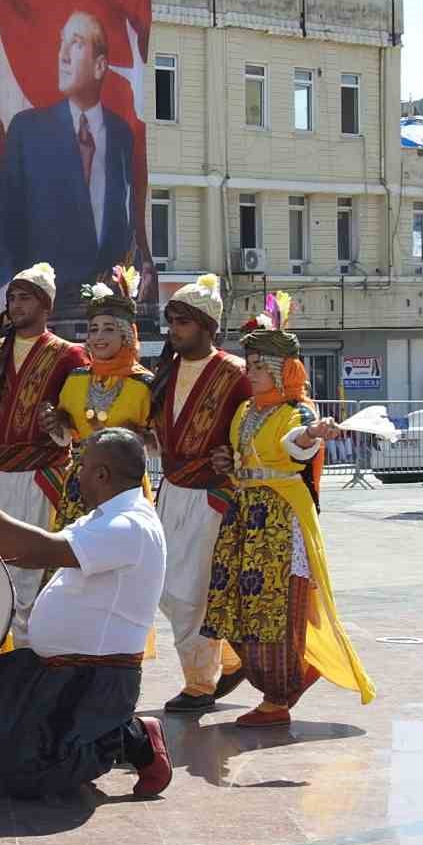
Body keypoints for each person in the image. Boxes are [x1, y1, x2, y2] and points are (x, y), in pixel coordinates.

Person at [0, 429, 172, 798]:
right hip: (61, 669)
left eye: (82, 466)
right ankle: (105, 735)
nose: (76, 473)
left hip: (98, 677)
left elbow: (45, 548)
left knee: (35, 776)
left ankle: (130, 737)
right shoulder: (101, 519)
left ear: (102, 475)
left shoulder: (130, 524)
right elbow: (32, 553)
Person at [203, 307, 375, 726]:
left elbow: (294, 443)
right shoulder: (245, 410)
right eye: (251, 364)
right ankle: (290, 674)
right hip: (245, 513)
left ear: (286, 370)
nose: (253, 371)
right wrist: (229, 460)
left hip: (280, 519)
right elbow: (249, 453)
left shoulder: (298, 413)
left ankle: (279, 695)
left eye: (263, 365)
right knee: (232, 602)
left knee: (276, 604)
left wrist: (314, 435)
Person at [0, 261, 87, 646]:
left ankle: (33, 654)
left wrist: (57, 423)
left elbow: (73, 422)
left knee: (32, 568)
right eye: (11, 297)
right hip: (0, 472)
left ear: (45, 306)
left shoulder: (68, 355)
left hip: (42, 475)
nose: (15, 304)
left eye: (24, 297)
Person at [149, 274, 250, 713]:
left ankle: (198, 684)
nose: (174, 329)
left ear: (208, 326)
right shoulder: (165, 371)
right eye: (171, 320)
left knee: (191, 592)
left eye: (183, 321)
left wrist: (236, 458)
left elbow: (254, 425)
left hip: (210, 495)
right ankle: (229, 659)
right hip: (170, 489)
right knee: (168, 591)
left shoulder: (235, 372)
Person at [0, 13, 137, 301]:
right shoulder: (28, 130)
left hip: (104, 302)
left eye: (75, 43)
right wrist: (3, 286)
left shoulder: (121, 133)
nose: (62, 56)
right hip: (42, 301)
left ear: (100, 66)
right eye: (61, 43)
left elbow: (124, 216)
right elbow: (5, 217)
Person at [52, 268, 153, 530]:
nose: (99, 337)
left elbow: (157, 445)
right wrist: (53, 422)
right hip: (81, 481)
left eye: (108, 330)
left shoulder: (144, 384)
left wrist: (137, 439)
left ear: (126, 335)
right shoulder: (76, 379)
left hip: (124, 485)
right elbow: (65, 435)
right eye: (93, 329)